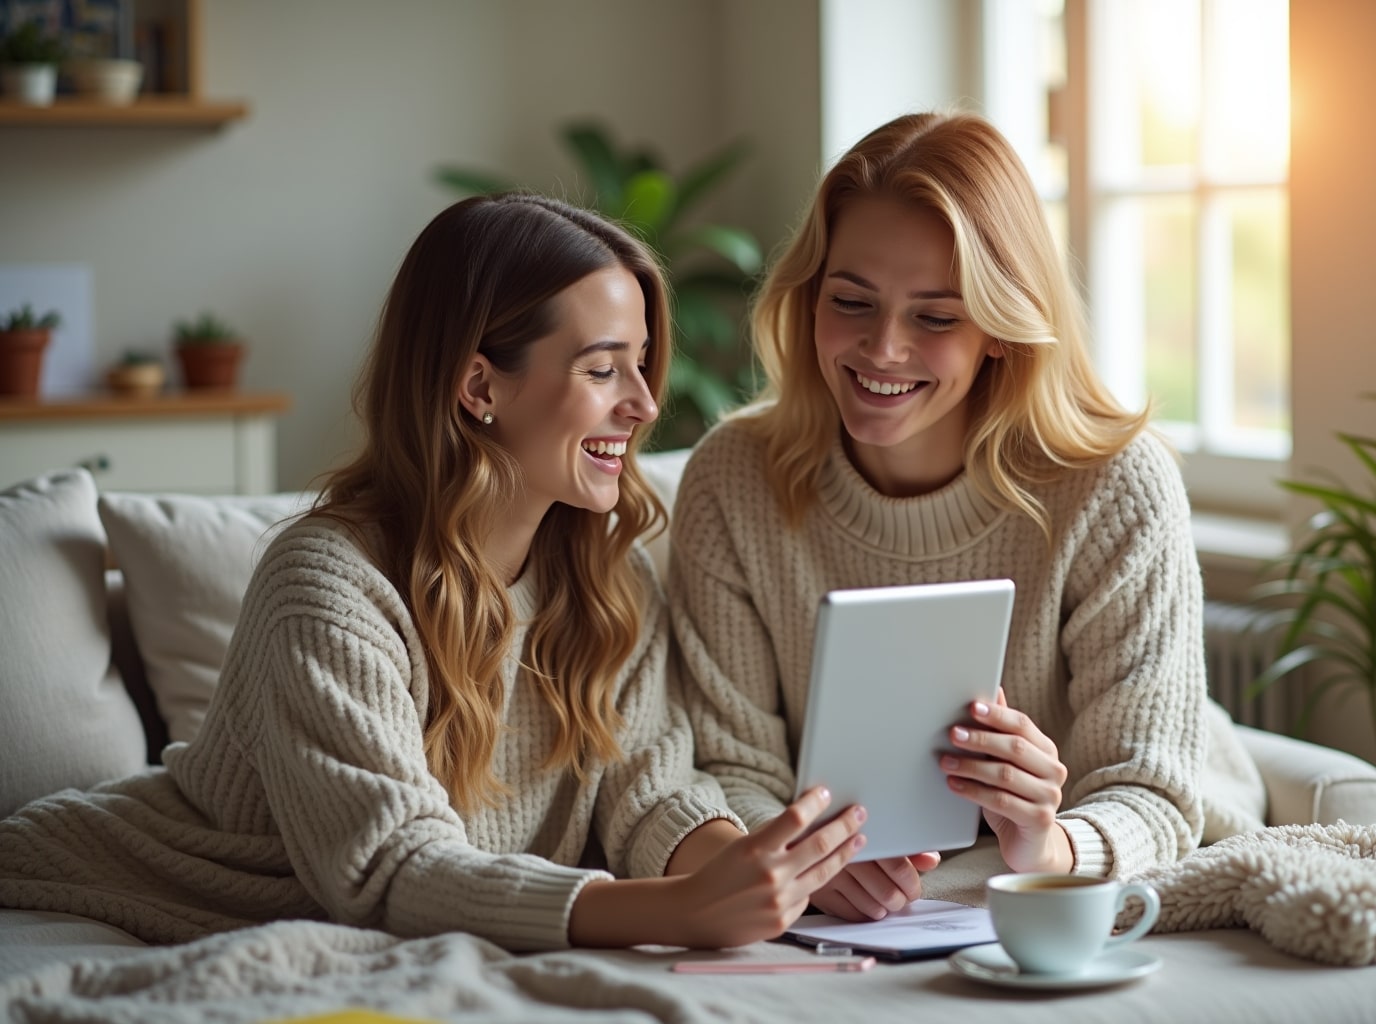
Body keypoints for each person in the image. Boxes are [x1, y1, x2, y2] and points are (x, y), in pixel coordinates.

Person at [0, 192, 867, 952]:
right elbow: (388, 868)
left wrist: (760, 873)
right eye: (603, 369)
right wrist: (673, 911)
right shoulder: (327, 586)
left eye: (641, 364)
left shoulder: (610, 573)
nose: (643, 404)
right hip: (118, 886)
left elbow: (653, 791)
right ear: (479, 387)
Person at [668, 112, 1268, 923]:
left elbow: (1151, 792)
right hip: (878, 893)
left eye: (936, 316)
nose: (883, 348)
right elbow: (730, 765)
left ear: (1000, 331)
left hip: (1097, 855)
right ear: (808, 299)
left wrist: (1047, 843)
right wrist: (805, 858)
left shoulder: (1115, 486)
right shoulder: (733, 481)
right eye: (851, 301)